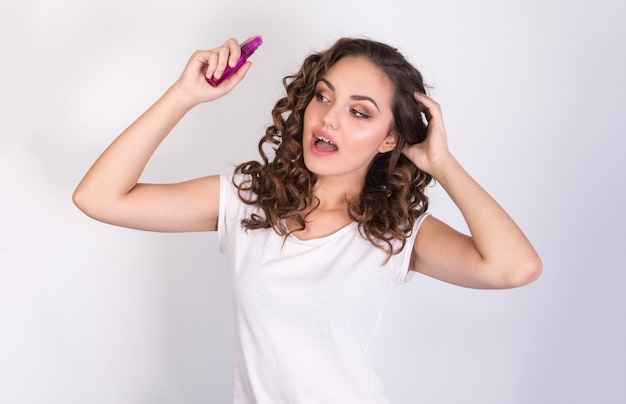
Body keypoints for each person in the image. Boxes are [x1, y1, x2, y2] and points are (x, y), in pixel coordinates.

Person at [73, 35, 542, 403]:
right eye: (323, 97)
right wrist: (183, 95)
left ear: (388, 139)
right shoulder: (248, 201)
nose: (328, 119)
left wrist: (442, 163)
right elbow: (99, 198)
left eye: (359, 112)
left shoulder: (394, 233)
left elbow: (515, 267)